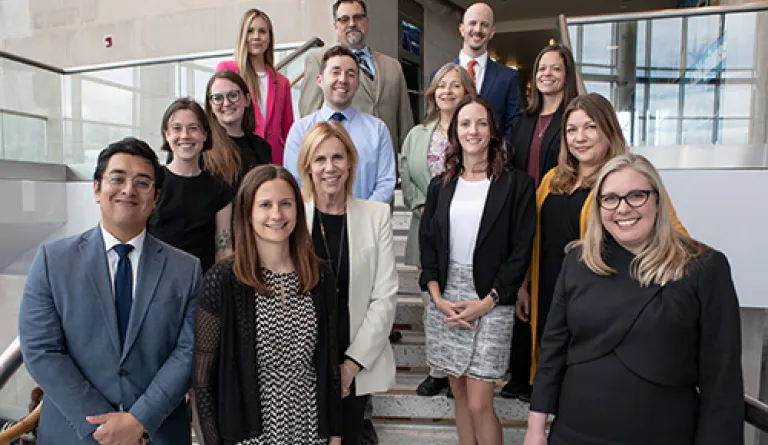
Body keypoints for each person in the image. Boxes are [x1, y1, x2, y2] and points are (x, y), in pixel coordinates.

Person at [525, 153, 744, 445]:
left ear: (657, 199)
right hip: (574, 432)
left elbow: (722, 379)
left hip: (663, 434)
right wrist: (535, 428)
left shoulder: (703, 266)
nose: (623, 209)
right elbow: (553, 350)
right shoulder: (578, 261)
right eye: (610, 199)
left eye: (636, 196)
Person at [19, 137, 201, 445]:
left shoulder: (186, 268)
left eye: (142, 183)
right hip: (73, 433)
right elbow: (41, 349)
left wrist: (139, 420)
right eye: (117, 179)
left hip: (155, 433)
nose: (129, 190)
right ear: (96, 189)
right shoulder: (53, 260)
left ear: (155, 197)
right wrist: (102, 425)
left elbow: (188, 352)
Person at [514, 93, 689, 397]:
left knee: (591, 381)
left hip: (601, 300)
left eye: (590, 127)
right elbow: (534, 239)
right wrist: (524, 285)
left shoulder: (627, 180)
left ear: (608, 129)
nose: (579, 137)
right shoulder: (552, 180)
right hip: (550, 296)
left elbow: (672, 231)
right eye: (571, 130)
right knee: (553, 375)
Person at [193, 165, 343, 445]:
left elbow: (329, 361)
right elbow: (202, 379)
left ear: (298, 210)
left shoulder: (319, 275)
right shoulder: (223, 280)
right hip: (247, 431)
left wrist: (334, 433)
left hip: (310, 427)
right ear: (248, 212)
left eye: (285, 204)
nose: (277, 214)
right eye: (265, 205)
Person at [419, 96, 535, 445]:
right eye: (465, 123)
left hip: (492, 296)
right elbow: (428, 245)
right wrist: (437, 298)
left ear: (493, 130)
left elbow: (520, 251)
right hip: (445, 298)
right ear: (455, 131)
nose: (473, 130)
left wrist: (489, 302)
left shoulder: (517, 185)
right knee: (457, 389)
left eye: (481, 123)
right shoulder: (440, 185)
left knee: (481, 400)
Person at [296, 121, 399, 444]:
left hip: (355, 358)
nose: (330, 167)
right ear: (308, 167)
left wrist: (351, 366)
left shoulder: (376, 215)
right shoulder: (292, 216)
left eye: (337, 157)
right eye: (320, 159)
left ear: (351, 162)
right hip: (301, 359)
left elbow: (384, 296)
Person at [502, 43, 579, 401]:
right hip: (521, 213)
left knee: (545, 293)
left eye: (555, 69)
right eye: (541, 69)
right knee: (518, 287)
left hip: (554, 212)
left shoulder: (572, 119)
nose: (547, 74)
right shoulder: (524, 119)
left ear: (567, 75)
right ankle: (519, 374)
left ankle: (541, 378)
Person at [398, 63, 477, 397]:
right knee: (430, 298)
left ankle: (462, 367)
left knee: (462, 296)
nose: (447, 91)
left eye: (455, 86)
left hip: (464, 228)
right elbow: (406, 169)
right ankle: (438, 369)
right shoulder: (418, 134)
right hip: (425, 224)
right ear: (433, 93)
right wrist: (420, 203)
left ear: (467, 92)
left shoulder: (474, 132)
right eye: (441, 86)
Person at [285, 45, 396, 204]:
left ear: (357, 84)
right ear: (320, 80)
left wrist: (361, 215)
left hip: (365, 223)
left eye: (351, 74)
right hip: (315, 224)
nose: (343, 80)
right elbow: (294, 182)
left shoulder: (377, 130)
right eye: (335, 72)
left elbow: (386, 182)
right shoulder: (300, 130)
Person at [299, 0, 414, 149]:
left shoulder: (392, 66)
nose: (352, 23)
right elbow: (310, 116)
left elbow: (405, 122)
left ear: (367, 22)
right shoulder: (318, 61)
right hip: (341, 160)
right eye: (344, 19)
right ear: (336, 26)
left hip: (386, 160)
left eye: (358, 17)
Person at [148, 98, 233, 273]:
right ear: (166, 135)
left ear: (205, 134)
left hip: (202, 281)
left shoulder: (219, 188)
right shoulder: (151, 180)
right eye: (176, 128)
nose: (185, 135)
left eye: (193, 128)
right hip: (157, 280)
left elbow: (223, 248)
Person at [217, 9, 293, 165]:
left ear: (270, 38)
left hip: (273, 159)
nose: (256, 37)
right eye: (250, 31)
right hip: (237, 154)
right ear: (242, 36)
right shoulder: (228, 70)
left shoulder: (282, 82)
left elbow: (288, 129)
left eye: (262, 31)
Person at [448, 2, 521, 142]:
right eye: (473, 23)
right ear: (462, 29)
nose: (478, 29)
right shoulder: (440, 76)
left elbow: (514, 125)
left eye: (484, 25)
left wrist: (500, 156)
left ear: (492, 32)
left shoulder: (508, 78)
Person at [204, 70, 272, 192]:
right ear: (210, 106)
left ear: (247, 99)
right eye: (217, 98)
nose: (226, 103)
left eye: (233, 95)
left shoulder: (262, 147)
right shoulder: (203, 148)